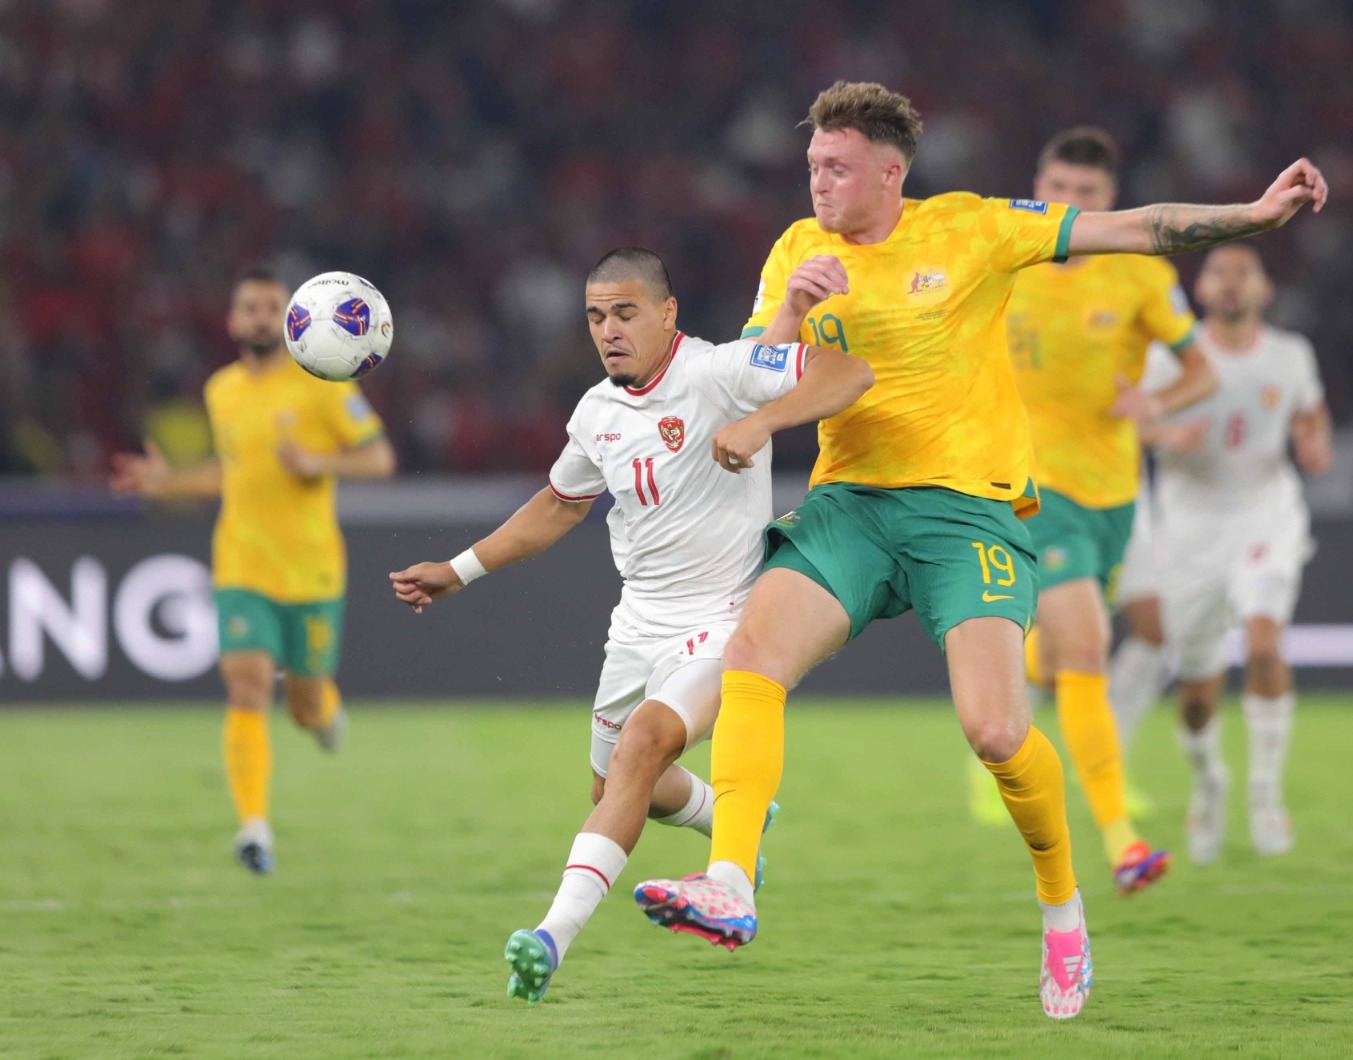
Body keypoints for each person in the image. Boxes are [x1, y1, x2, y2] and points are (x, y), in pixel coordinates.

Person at [633, 81, 1328, 1020]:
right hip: (851, 505)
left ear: (890, 171)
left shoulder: (974, 230)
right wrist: (791, 316)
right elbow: (752, 387)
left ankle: (1062, 905)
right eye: (811, 168)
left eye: (835, 169)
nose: (818, 185)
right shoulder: (799, 249)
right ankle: (732, 880)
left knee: (997, 731)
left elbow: (1141, 228)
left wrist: (1252, 213)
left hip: (970, 514)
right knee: (755, 649)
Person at [388, 248, 873, 1005]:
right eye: (595, 317)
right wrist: (458, 570)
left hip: (723, 622)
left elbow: (846, 375)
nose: (608, 330)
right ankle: (731, 816)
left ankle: (549, 937)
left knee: (643, 746)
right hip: (637, 624)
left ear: (667, 312)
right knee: (612, 786)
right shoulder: (597, 411)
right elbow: (558, 506)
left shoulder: (722, 371)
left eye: (624, 312)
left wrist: (761, 426)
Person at [111, 267, 396, 874]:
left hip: (313, 570)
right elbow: (229, 470)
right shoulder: (222, 391)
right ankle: (254, 829)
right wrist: (170, 482)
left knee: (303, 707)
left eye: (272, 307)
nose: (262, 317)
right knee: (245, 686)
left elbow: (379, 457)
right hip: (240, 564)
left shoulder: (324, 381)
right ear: (233, 321)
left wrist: (317, 459)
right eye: (251, 308)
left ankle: (323, 709)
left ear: (293, 319)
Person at [1005, 127, 1218, 893]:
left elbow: (1200, 371)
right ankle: (1123, 840)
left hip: (1115, 497)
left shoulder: (1137, 275)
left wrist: (1152, 400)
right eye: (1058, 188)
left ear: (1109, 202)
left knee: (1064, 656)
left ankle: (1024, 655)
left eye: (1087, 194)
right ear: (1039, 184)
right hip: (1031, 491)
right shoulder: (1007, 258)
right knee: (1092, 647)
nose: (1071, 205)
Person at [1110, 244, 1332, 863]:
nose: (1231, 285)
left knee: (1264, 643)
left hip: (1267, 511)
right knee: (1198, 690)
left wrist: (1313, 444)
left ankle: (1265, 791)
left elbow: (1311, 417)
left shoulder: (1290, 356)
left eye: (1244, 274)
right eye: (1219, 274)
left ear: (1264, 290)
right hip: (1190, 528)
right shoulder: (1169, 358)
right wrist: (1161, 432)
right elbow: (1126, 422)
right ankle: (1210, 783)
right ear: (1200, 290)